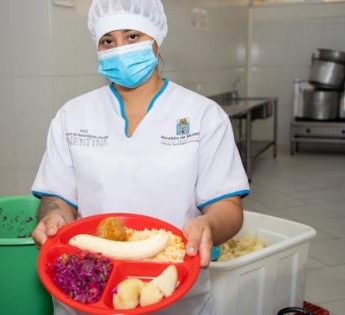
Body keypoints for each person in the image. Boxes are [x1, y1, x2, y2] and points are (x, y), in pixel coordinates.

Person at [31, 0, 249, 314]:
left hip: (175, 290)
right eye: (108, 41)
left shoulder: (203, 116)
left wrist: (209, 225)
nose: (119, 49)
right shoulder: (72, 116)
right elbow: (56, 197)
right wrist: (53, 217)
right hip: (90, 292)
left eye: (132, 36)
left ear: (156, 39)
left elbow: (228, 206)